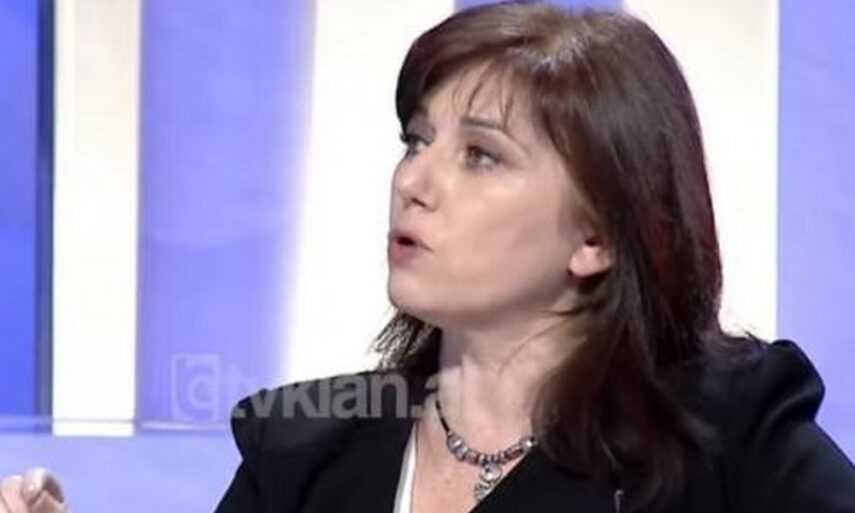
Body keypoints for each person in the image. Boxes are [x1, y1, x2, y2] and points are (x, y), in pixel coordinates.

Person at [5, 3, 855, 513]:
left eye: (480, 156)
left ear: (594, 237)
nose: (413, 181)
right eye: (416, 140)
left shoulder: (723, 437)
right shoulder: (305, 448)